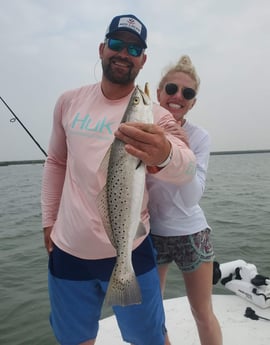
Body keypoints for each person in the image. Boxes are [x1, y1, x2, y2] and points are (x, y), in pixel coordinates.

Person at [41, 15, 196, 345]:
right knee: (74, 339)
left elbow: (187, 169)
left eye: (134, 48)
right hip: (69, 250)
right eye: (116, 44)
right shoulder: (68, 102)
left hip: (132, 249)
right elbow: (55, 162)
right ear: (102, 49)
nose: (124, 53)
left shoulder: (157, 116)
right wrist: (48, 219)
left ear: (143, 59)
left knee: (149, 339)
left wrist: (164, 153)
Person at [147, 55, 223, 345]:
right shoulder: (144, 130)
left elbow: (192, 198)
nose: (178, 96)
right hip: (151, 233)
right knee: (154, 314)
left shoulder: (200, 137)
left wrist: (183, 150)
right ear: (158, 93)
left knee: (201, 311)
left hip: (192, 233)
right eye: (171, 89)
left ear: (192, 102)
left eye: (187, 93)